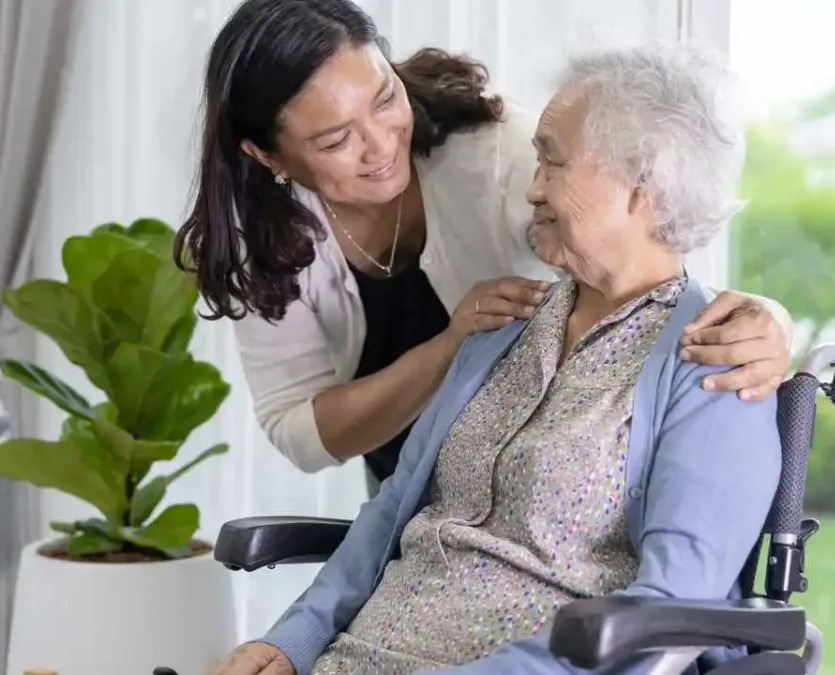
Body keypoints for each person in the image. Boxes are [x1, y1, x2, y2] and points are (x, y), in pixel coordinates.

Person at [210, 41, 782, 675]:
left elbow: (673, 607)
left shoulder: (715, 363)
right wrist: (291, 639)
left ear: (641, 187)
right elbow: (394, 506)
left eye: (553, 164)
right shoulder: (500, 327)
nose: (533, 188)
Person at [175, 0, 792, 488]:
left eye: (386, 98)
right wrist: (449, 349)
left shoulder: (502, 154)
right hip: (418, 506)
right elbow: (301, 432)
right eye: (337, 140)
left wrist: (765, 322)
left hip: (548, 489)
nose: (382, 144)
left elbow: (654, 249)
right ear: (267, 155)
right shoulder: (260, 239)